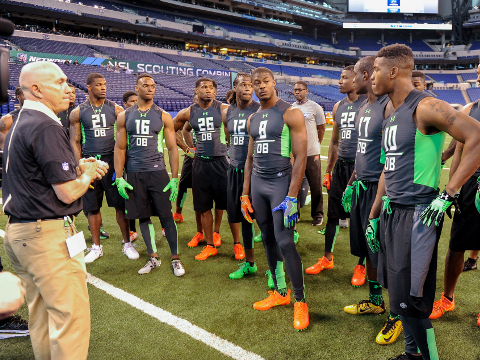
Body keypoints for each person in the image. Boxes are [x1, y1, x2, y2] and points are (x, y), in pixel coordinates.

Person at [367, 44, 480, 360]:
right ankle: (411, 354)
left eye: (376, 70)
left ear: (393, 71)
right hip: (394, 212)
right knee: (399, 296)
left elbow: (476, 137)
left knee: (412, 302)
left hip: (419, 214)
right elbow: (390, 169)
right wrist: (376, 215)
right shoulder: (391, 112)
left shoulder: (426, 106)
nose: (371, 76)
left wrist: (450, 192)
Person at [3, 61, 108, 359]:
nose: (68, 88)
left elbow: (38, 175)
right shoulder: (46, 124)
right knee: (69, 320)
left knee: (43, 318)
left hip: (21, 232)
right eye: (59, 82)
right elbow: (66, 192)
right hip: (45, 234)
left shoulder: (22, 121)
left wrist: (78, 168)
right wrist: (87, 175)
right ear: (36, 89)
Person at [340, 56, 403, 345]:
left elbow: (392, 155)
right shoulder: (364, 107)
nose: (351, 81)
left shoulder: (388, 105)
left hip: (382, 191)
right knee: (370, 248)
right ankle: (376, 300)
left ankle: (397, 314)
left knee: (389, 253)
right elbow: (363, 152)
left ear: (365, 75)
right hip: (362, 187)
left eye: (354, 75)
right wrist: (352, 182)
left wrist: (384, 194)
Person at [242, 67, 309, 331]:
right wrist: (245, 192)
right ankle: (280, 292)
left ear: (274, 83)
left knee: (285, 241)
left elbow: (301, 157)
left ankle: (300, 300)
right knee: (268, 239)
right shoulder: (253, 117)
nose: (260, 87)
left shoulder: (290, 112)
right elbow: (248, 159)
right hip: (258, 183)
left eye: (265, 82)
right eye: (255, 83)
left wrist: (292, 196)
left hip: (281, 182)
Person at [114, 73, 184, 276]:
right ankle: (153, 257)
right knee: (143, 216)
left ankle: (175, 258)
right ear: (137, 88)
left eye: (153, 85)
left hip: (157, 172)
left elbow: (172, 148)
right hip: (134, 173)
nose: (150, 88)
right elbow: (120, 148)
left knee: (166, 216)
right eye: (145, 85)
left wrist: (174, 178)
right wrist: (119, 177)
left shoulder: (163, 115)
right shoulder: (124, 116)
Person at [306, 65, 367, 287]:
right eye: (339, 78)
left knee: (361, 218)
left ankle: (361, 265)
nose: (339, 82)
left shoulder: (369, 103)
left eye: (344, 78)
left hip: (361, 167)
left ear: (357, 79)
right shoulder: (339, 106)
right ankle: (327, 257)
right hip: (341, 166)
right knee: (333, 214)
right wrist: (329, 170)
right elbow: (334, 141)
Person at [428, 63, 480, 324]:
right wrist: (453, 190)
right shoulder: (470, 109)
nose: (479, 74)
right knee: (456, 244)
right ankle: (447, 297)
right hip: (470, 184)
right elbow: (459, 152)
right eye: (479, 70)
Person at [69, 73, 138, 263]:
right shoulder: (78, 112)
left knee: (120, 205)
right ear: (89, 87)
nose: (103, 87)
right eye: (99, 85)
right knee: (92, 208)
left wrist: (123, 164)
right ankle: (96, 247)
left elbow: (126, 136)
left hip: (111, 162)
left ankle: (127, 244)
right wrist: (79, 166)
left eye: (105, 84)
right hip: (90, 164)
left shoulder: (115, 109)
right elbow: (75, 142)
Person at [173, 78, 230, 260]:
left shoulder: (223, 109)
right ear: (195, 90)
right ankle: (208, 242)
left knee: (222, 202)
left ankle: (217, 233)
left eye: (211, 87)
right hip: (199, 162)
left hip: (221, 161)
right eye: (204, 87)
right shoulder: (188, 112)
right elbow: (172, 130)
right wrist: (187, 148)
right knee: (202, 203)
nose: (208, 90)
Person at [222, 72, 260, 278]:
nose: (247, 88)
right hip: (235, 170)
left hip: (257, 171)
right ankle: (250, 262)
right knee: (244, 219)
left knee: (265, 220)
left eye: (250, 85)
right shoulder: (228, 112)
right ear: (235, 88)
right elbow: (228, 139)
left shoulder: (260, 109)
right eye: (243, 85)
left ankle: (276, 268)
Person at [291, 80, 325, 226]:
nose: (297, 92)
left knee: (315, 185)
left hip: (312, 153)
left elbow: (321, 128)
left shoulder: (315, 107)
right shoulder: (291, 108)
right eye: (295, 90)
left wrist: (316, 144)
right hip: (296, 154)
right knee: (295, 185)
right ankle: (295, 213)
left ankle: (317, 214)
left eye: (300, 90)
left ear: (306, 91)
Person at [122, 90, 139, 243]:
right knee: (131, 197)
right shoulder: (122, 118)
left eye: (137, 100)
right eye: (132, 101)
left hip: (145, 163)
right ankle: (132, 230)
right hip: (129, 164)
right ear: (125, 104)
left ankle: (163, 226)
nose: (135, 103)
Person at [0, 86, 25, 150]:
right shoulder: (7, 120)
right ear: (18, 97)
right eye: (25, 94)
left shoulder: (44, 117)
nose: (30, 98)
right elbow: (6, 151)